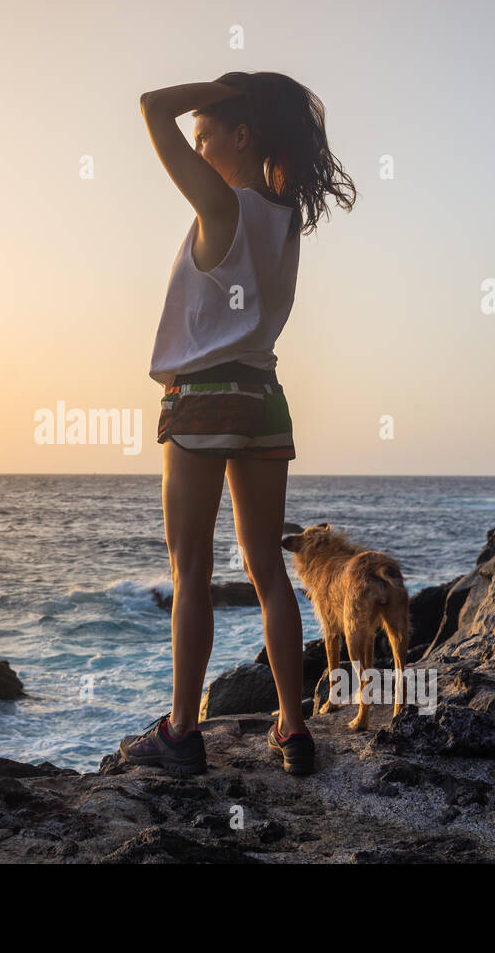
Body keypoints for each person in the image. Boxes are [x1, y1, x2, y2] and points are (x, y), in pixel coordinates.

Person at [119, 71, 356, 776]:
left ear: (240, 135)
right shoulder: (286, 219)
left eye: (206, 132)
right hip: (263, 397)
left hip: (202, 397)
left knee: (190, 568)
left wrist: (217, 84)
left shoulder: (220, 205)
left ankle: (182, 731)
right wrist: (232, 94)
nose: (196, 144)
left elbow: (147, 108)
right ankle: (293, 726)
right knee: (267, 573)